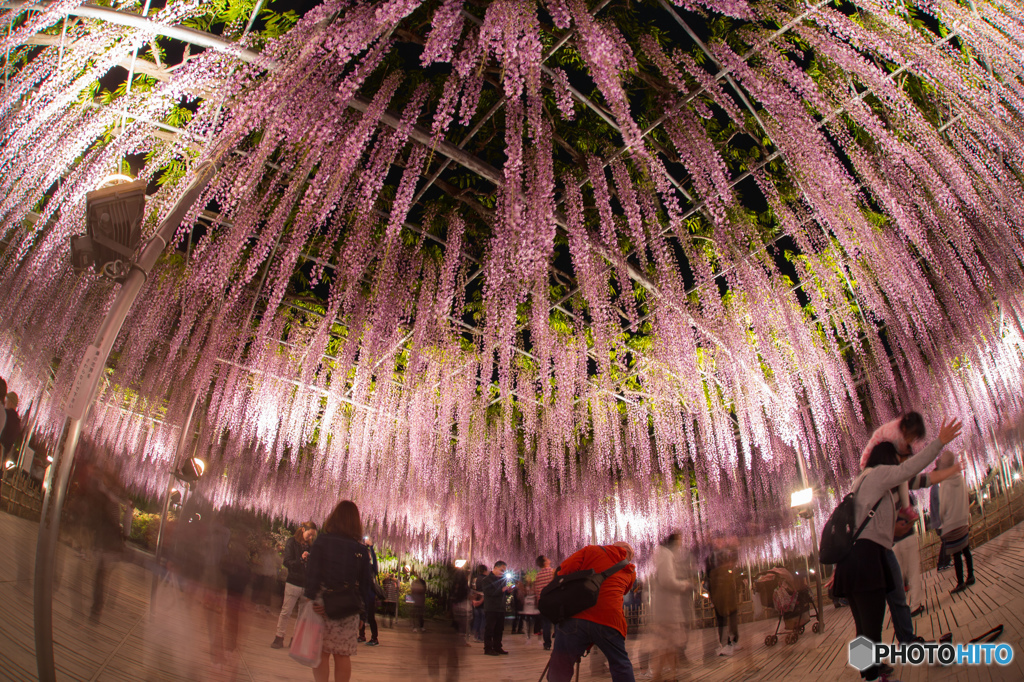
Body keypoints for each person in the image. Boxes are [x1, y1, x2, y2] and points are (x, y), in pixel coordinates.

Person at [834, 417, 962, 682]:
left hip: (858, 558)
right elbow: (911, 470)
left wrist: (897, 530)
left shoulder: (863, 482)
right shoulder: (879, 475)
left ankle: (875, 666)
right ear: (887, 459)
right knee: (871, 623)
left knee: (865, 624)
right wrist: (940, 442)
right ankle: (872, 674)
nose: (900, 463)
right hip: (866, 559)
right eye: (897, 457)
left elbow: (869, 527)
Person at [547, 541, 637, 682]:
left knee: (561, 664)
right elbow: (624, 591)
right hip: (610, 620)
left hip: (577, 615)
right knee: (620, 664)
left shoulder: (590, 551)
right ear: (628, 556)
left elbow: (563, 571)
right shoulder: (630, 571)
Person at [305, 500, 373, 682]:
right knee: (343, 655)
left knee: (322, 652)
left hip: (324, 603)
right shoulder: (360, 549)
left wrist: (312, 598)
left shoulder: (322, 541)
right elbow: (366, 585)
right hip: (348, 607)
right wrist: (363, 615)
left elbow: (312, 573)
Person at [649, 533, 692, 679]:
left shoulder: (661, 554)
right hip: (668, 609)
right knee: (668, 643)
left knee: (667, 644)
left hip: (664, 608)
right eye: (680, 539)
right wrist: (683, 585)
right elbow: (667, 580)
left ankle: (668, 675)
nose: (681, 543)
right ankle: (662, 675)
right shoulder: (666, 555)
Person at [272, 521, 317, 648]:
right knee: (286, 611)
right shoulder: (292, 542)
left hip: (306, 584)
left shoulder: (310, 547)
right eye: (309, 534)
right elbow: (287, 562)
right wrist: (301, 560)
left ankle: (295, 639)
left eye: (313, 536)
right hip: (293, 582)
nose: (310, 537)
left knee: (302, 615)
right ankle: (279, 637)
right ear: (303, 529)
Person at [937, 451, 975, 593]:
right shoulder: (959, 477)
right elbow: (966, 495)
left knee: (956, 554)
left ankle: (960, 582)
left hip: (952, 523)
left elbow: (943, 506)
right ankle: (971, 575)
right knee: (966, 549)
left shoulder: (945, 482)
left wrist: (942, 520)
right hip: (963, 520)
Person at [706, 535, 739, 656]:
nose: (717, 542)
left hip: (727, 590)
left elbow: (732, 563)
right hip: (717, 592)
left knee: (731, 615)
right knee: (721, 618)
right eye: (715, 540)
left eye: (719, 540)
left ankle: (733, 641)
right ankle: (725, 643)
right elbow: (708, 576)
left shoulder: (726, 554)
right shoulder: (710, 557)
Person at [480, 560, 514, 655]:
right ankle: (488, 648)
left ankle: (497, 647)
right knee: (490, 629)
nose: (503, 573)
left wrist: (508, 591)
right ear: (495, 568)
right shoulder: (487, 580)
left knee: (499, 629)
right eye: (501, 570)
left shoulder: (502, 580)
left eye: (504, 571)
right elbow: (489, 593)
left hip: (501, 608)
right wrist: (502, 590)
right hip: (491, 608)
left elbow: (503, 593)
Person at [358, 536, 381, 645]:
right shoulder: (360, 566)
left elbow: (375, 560)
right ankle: (361, 635)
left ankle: (374, 638)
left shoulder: (372, 567)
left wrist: (371, 547)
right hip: (362, 593)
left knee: (371, 617)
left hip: (370, 595)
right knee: (360, 615)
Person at [534, 555, 555, 650]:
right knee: (557, 623)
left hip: (543, 602)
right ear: (545, 562)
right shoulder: (553, 572)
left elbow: (536, 591)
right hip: (553, 600)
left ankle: (547, 644)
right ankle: (559, 643)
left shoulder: (538, 576)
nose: (549, 559)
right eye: (547, 558)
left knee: (546, 624)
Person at [471, 564, 488, 642]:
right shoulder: (486, 579)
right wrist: (482, 600)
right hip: (483, 602)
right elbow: (487, 592)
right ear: (485, 570)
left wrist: (474, 600)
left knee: (477, 619)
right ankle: (481, 637)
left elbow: (473, 591)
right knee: (483, 619)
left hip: (476, 601)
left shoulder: (475, 579)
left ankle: (475, 635)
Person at [1, 391, 20, 457]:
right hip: (3, 454)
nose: (4, 405)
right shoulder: (18, 422)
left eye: (6, 402)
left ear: (10, 403)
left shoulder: (5, 414)